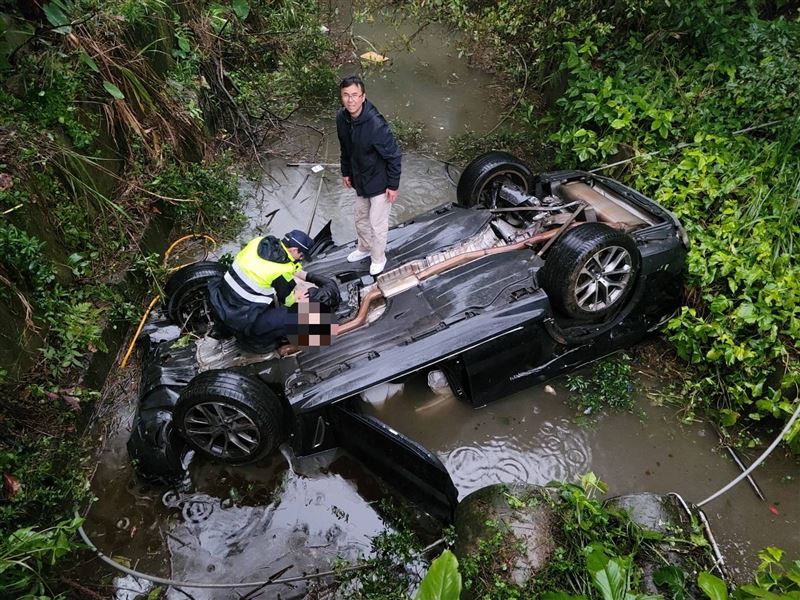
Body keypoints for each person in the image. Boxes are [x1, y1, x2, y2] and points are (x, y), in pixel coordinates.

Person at [208, 229, 320, 353]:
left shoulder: (259, 242)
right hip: (241, 321)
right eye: (302, 255)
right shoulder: (280, 270)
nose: (301, 259)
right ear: (293, 250)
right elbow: (287, 301)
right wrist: (298, 298)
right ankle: (256, 344)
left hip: (221, 301)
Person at [336, 74, 402, 276]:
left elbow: (394, 155)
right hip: (360, 179)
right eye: (346, 95)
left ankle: (378, 258)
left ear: (363, 97)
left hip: (380, 182)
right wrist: (346, 172)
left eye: (355, 95)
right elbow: (345, 148)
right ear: (342, 97)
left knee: (377, 223)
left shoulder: (375, 124)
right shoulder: (342, 118)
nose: (351, 100)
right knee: (360, 218)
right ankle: (364, 249)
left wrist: (393, 185)